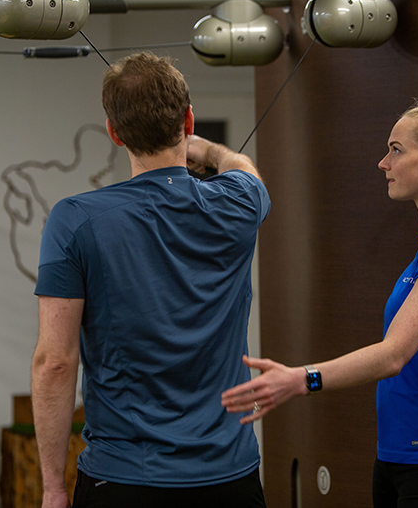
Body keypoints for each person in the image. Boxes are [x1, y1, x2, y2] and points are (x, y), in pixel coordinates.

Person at [221, 101, 418, 507]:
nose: (384, 163)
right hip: (401, 456)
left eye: (397, 149)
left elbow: (394, 354)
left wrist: (301, 379)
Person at [31, 52, 270, 508]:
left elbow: (55, 363)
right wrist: (210, 150)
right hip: (228, 480)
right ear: (188, 119)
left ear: (114, 132)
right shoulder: (237, 202)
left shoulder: (75, 220)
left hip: (122, 482)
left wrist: (52, 489)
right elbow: (247, 172)